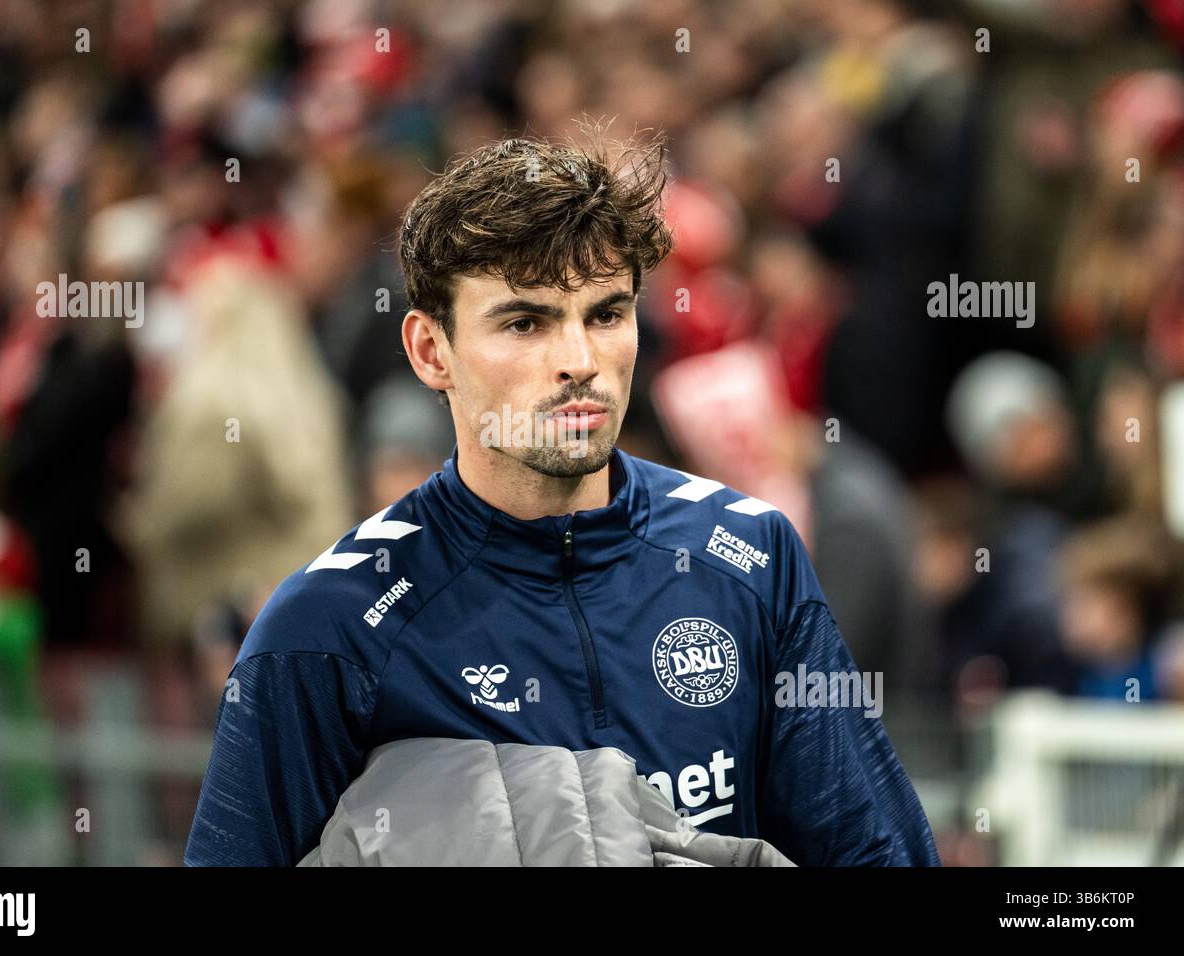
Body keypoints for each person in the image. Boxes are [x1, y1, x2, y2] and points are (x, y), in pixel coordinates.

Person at [184, 133, 940, 867]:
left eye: (606, 314)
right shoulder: (326, 627)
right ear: (428, 350)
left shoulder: (751, 558)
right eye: (524, 322)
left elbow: (874, 852)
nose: (580, 362)